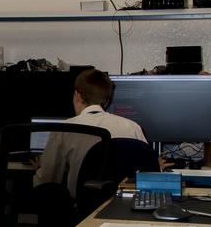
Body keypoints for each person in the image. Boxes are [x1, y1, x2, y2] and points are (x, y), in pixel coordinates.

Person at [34, 68, 146, 196]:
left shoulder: (65, 129)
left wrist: (38, 168)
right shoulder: (132, 127)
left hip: (80, 209)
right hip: (119, 205)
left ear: (77, 95)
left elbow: (48, 179)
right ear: (107, 100)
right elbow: (147, 172)